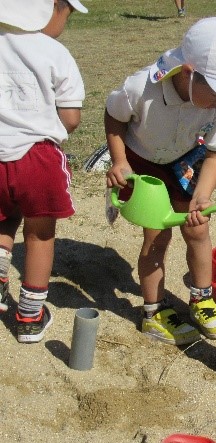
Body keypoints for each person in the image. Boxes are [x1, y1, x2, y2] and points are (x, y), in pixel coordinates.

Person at [104, 17, 216, 346]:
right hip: (143, 164)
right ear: (187, 72)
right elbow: (114, 117)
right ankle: (154, 312)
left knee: (197, 228)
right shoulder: (139, 88)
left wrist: (202, 196)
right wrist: (119, 162)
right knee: (157, 236)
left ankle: (201, 298)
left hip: (186, 161)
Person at [0, 0, 89, 343]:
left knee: (4, 218)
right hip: (37, 157)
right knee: (39, 235)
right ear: (51, 7)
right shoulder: (54, 52)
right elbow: (70, 118)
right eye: (66, 14)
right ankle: (30, 318)